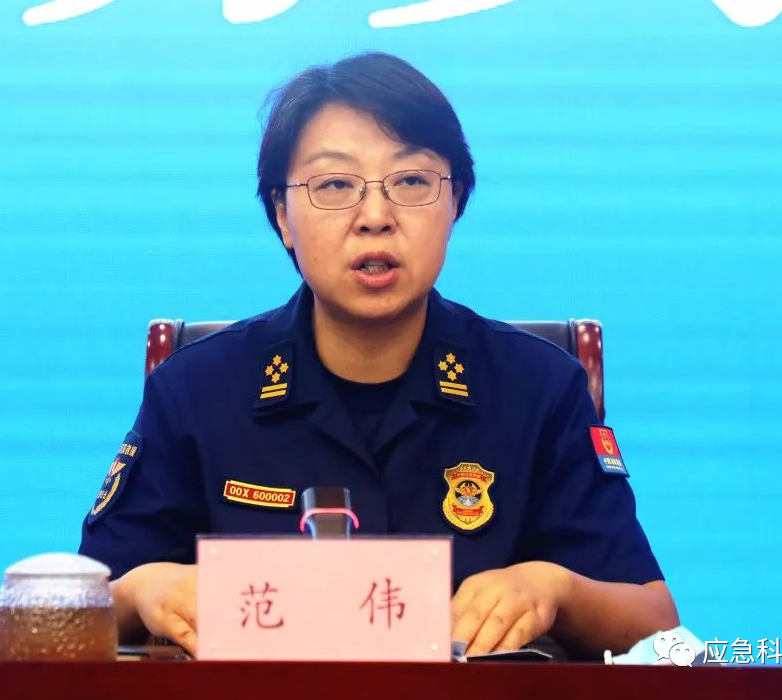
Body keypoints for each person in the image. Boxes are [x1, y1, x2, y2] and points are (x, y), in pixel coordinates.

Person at [79, 51, 678, 658]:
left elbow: (657, 628)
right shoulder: (196, 391)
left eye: (411, 181)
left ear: (455, 202)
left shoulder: (540, 389)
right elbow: (79, 607)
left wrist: (556, 589)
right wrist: (143, 587)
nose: (374, 217)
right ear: (282, 215)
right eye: (335, 185)